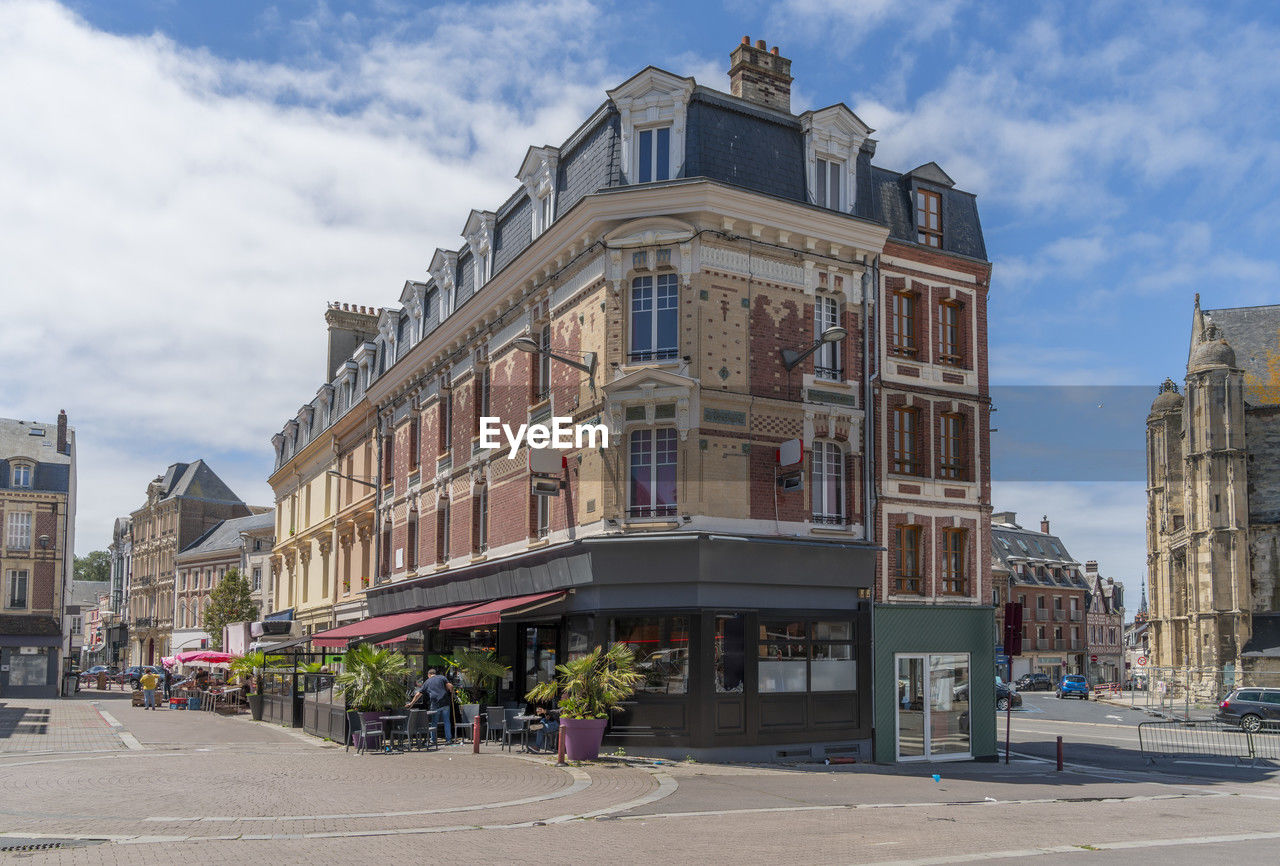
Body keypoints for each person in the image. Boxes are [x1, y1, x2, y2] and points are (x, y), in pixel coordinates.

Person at [406, 668, 454, 745]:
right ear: (435, 673)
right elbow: (450, 686)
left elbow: (418, 694)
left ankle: (433, 740)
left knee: (434, 722)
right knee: (447, 721)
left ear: (429, 675)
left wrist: (411, 704)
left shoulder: (427, 682)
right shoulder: (442, 677)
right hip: (445, 703)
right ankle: (448, 740)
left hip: (435, 704)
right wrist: (451, 691)